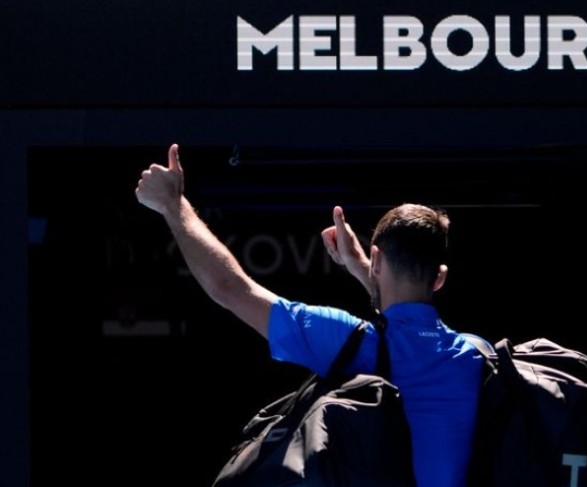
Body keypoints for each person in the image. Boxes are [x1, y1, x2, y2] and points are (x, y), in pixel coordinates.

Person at [135, 144, 484, 487]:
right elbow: (406, 330)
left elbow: (229, 288)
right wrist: (364, 269)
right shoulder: (476, 354)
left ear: (378, 260)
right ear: (440, 277)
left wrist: (173, 204)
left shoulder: (348, 342)